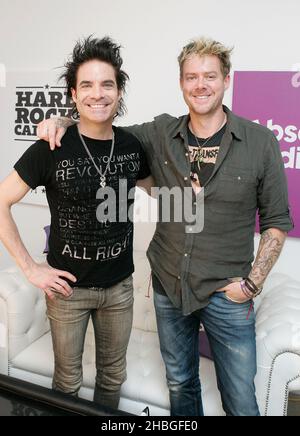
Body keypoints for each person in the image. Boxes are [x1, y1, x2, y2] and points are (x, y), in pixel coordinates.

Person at [37, 37, 293, 416]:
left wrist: (251, 285)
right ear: (181, 82)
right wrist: (64, 120)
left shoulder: (259, 142)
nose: (200, 85)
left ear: (227, 79)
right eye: (191, 77)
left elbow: (276, 222)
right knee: (180, 383)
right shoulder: (159, 134)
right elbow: (104, 127)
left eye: (209, 76)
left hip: (228, 295)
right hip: (169, 287)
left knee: (240, 399)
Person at [0, 36, 152, 410]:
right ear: (73, 92)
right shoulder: (50, 148)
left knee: (113, 376)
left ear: (119, 92)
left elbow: (164, 193)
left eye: (107, 84)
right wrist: (31, 268)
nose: (97, 94)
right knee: (66, 380)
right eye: (87, 85)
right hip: (67, 291)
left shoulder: (132, 146)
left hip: (119, 289)